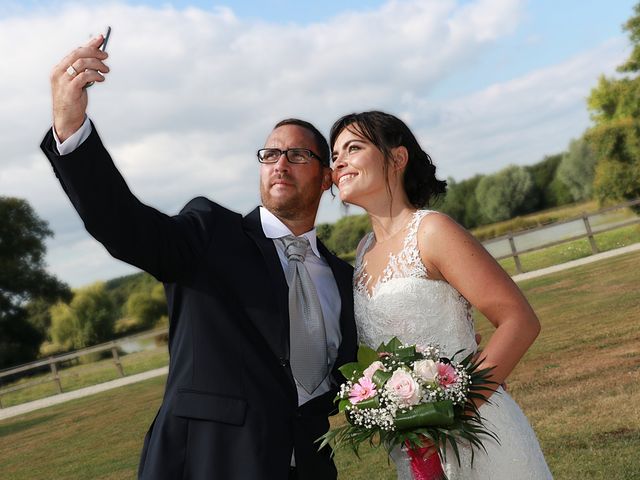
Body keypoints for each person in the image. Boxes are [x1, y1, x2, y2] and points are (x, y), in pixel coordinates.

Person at [41, 35, 357, 480]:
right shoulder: (210, 233)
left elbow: (344, 381)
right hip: (206, 463)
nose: (280, 163)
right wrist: (71, 129)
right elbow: (124, 225)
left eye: (298, 154)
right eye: (269, 154)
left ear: (327, 177)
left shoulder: (344, 277)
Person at [330, 111, 553, 479]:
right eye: (335, 154)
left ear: (397, 158)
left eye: (353, 148)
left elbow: (520, 320)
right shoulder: (362, 251)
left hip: (475, 433)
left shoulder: (432, 230)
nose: (339, 161)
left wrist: (453, 415)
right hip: (411, 447)